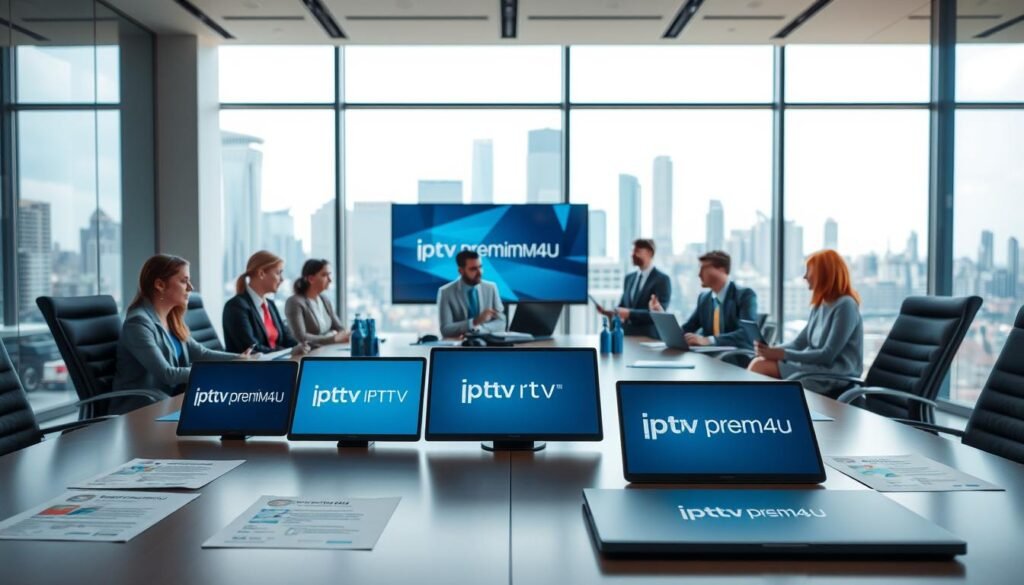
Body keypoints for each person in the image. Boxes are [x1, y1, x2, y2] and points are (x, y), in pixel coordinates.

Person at [113, 254, 249, 400]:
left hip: (170, 399)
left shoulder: (171, 318)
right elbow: (167, 374)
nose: (191, 287)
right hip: (141, 407)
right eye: (184, 281)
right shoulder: (138, 323)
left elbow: (200, 353)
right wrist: (217, 371)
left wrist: (240, 359)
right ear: (160, 285)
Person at [748, 249, 864, 396]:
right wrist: (770, 350)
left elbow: (827, 355)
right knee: (760, 362)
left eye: (809, 270)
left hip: (834, 375)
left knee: (760, 366)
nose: (805, 276)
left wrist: (782, 354)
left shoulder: (846, 305)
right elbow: (798, 343)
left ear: (824, 274)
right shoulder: (820, 305)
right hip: (814, 368)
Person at [652, 250, 758, 349]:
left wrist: (708, 340)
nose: (699, 274)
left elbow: (747, 333)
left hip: (735, 359)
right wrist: (661, 313)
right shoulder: (704, 299)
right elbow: (687, 329)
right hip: (710, 358)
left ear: (721, 270)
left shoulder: (745, 295)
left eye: (704, 268)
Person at [223, 250, 308, 355]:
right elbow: (252, 349)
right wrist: (290, 351)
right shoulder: (236, 307)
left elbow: (286, 339)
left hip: (275, 364)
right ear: (261, 273)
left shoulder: (270, 304)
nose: (282, 279)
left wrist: (302, 346)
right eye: (278, 273)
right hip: (250, 369)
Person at [597, 238, 671, 337]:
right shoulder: (629, 278)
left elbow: (659, 314)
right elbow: (623, 305)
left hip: (649, 338)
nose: (632, 254)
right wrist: (612, 312)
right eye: (632, 251)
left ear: (649, 253)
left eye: (637, 251)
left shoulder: (662, 280)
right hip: (627, 335)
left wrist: (629, 314)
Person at [437, 249, 506, 338]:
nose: (479, 272)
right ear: (461, 271)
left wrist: (478, 329)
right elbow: (445, 330)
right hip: (459, 347)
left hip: (487, 345)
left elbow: (501, 322)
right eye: (473, 269)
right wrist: (474, 322)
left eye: (480, 267)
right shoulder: (445, 292)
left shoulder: (491, 288)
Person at [285, 259, 349, 347]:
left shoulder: (324, 300)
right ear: (311, 279)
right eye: (324, 275)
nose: (330, 279)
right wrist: (333, 338)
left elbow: (340, 328)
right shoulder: (294, 302)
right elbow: (301, 337)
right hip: (309, 354)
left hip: (327, 350)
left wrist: (342, 335)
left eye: (329, 274)